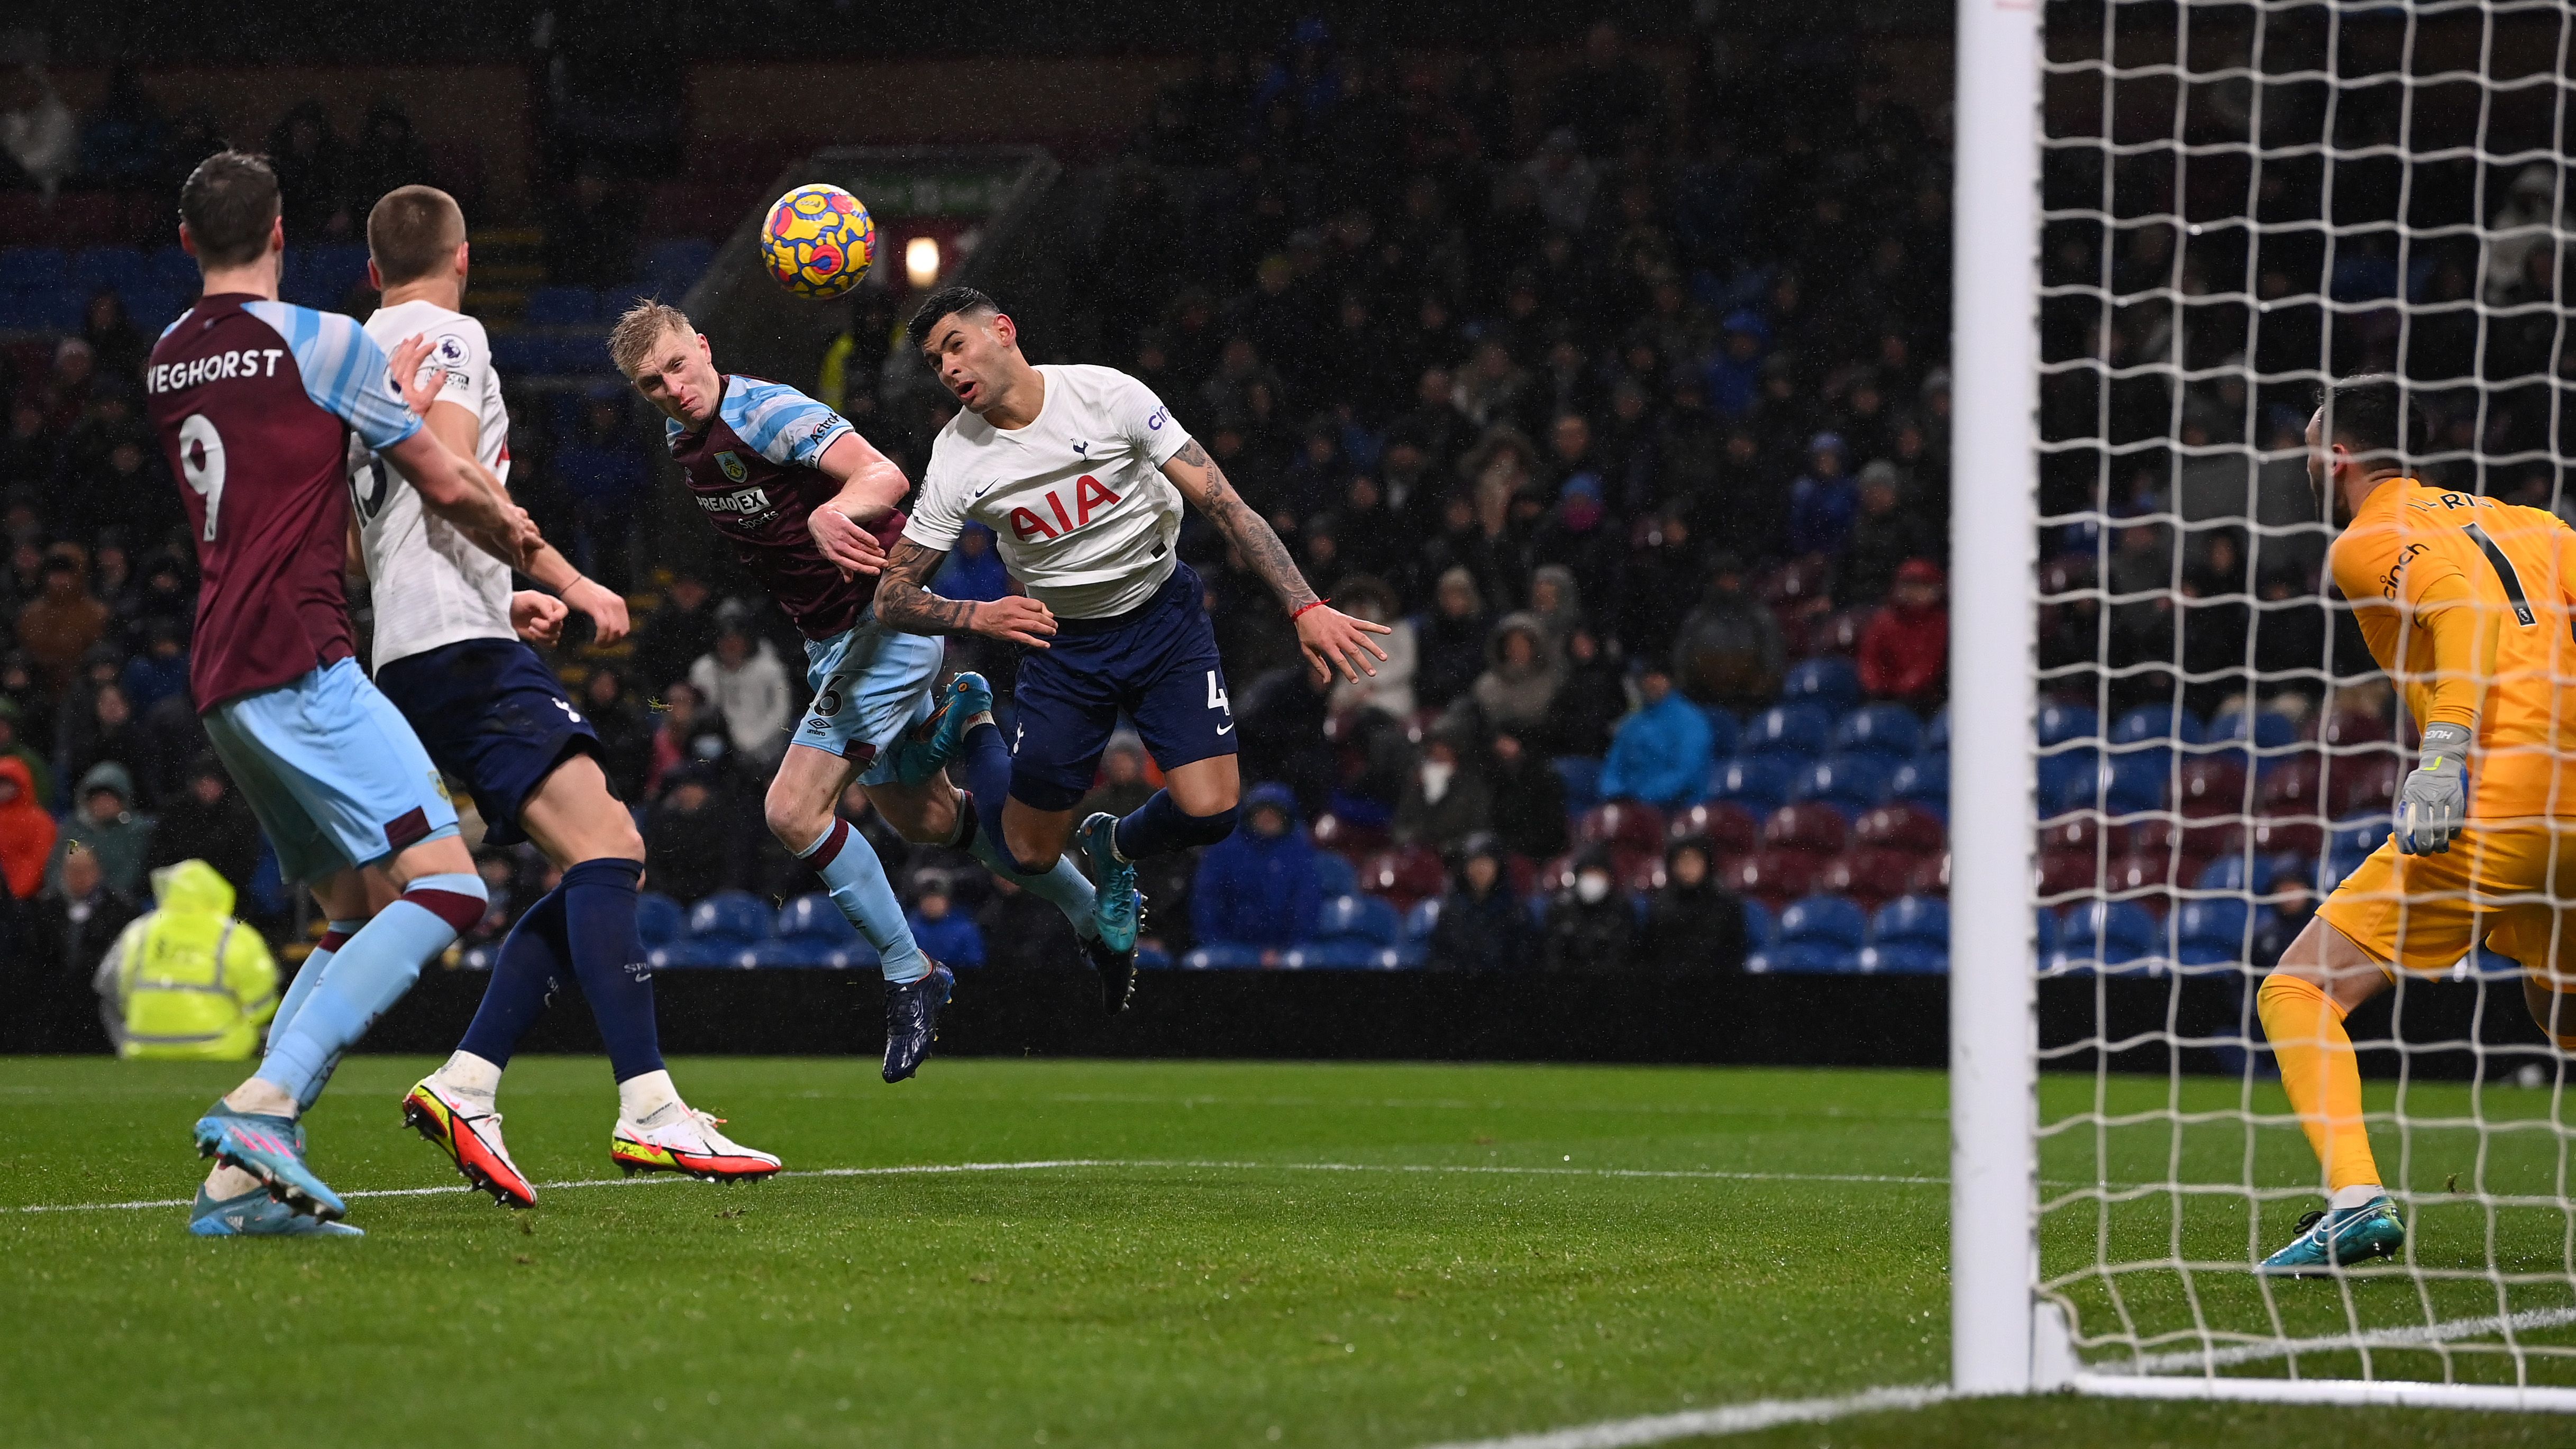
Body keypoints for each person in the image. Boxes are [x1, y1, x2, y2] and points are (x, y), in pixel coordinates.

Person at [331, 186, 778, 1208]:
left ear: (370, 270)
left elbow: (359, 548)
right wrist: (568, 580)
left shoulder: (353, 357)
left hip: (422, 640)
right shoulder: (445, 333)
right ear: (465, 255)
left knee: (598, 851)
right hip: (460, 645)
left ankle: (470, 1082)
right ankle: (650, 1109)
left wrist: (502, 589)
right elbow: (452, 475)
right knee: (612, 848)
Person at [143, 151, 541, 1237]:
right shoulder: (325, 341)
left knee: (351, 909)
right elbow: (448, 480)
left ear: (188, 243)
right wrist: (553, 571)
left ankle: (237, 1192)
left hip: (222, 673)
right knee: (450, 890)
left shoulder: (168, 355)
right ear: (280, 233)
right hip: (304, 660)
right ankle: (262, 1107)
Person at [609, 298, 1120, 1072]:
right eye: (652, 383)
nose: (673, 388)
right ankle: (1090, 906)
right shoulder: (683, 436)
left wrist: (835, 511)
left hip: (883, 624)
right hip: (830, 641)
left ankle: (911, 970)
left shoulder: (766, 410)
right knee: (928, 819)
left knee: (791, 809)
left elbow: (884, 473)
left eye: (679, 366)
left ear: (705, 347)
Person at [873, 285, 1386, 970]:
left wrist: (1304, 605)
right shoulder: (958, 459)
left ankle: (1113, 842)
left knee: (1211, 812)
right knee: (1027, 851)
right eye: (936, 361)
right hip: (1066, 646)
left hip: (1163, 619)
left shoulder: (1108, 396)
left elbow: (1226, 505)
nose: (949, 368)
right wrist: (980, 613)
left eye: (956, 345)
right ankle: (976, 723)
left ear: (1002, 330)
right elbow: (892, 595)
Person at [2252, 374, 2576, 1275]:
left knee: (2296, 990)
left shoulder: (2365, 541)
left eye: (2312, 445)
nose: (2307, 460)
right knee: (2560, 1008)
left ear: (2341, 457)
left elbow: (2463, 611)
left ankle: (2355, 1200)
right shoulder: (2530, 523)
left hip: (2497, 800)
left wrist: (2443, 755)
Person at [93, 858, 274, 1061]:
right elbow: (264, 1004)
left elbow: (109, 988)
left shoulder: (141, 930)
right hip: (220, 1049)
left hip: (144, 1047)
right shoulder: (235, 935)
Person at [1187, 783, 1324, 958]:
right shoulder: (1224, 850)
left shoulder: (1300, 853)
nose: (1268, 817)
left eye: (1275, 812)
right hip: (1228, 949)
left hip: (1283, 951)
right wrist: (1217, 946)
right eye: (1261, 811)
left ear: (1287, 818)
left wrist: (1285, 949)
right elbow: (1207, 900)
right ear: (1250, 815)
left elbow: (1306, 906)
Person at [1597, 663, 1713, 810]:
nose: (1652, 682)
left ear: (1670, 680)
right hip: (1630, 810)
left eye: (1658, 676)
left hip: (1678, 812)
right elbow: (1613, 768)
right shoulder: (1632, 724)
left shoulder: (1691, 721)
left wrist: (1641, 799)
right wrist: (1616, 795)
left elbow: (1687, 773)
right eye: (1647, 677)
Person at [144, 752, 262, 897]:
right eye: (202, 781)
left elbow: (244, 863)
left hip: (225, 893)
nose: (207, 787)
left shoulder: (240, 817)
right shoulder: (176, 812)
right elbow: (160, 855)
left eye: (213, 781)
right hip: (177, 891)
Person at [689, 616, 793, 769]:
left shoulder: (770, 669)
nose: (730, 645)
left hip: (767, 746)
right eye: (725, 640)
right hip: (722, 747)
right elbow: (699, 711)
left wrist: (754, 740)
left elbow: (782, 712)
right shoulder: (704, 669)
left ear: (747, 642)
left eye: (736, 640)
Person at [1640, 836, 1748, 972]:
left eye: (1695, 861)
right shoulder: (1659, 905)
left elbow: (1735, 954)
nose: (1688, 867)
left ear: (1707, 864)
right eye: (1682, 861)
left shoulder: (1727, 905)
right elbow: (1649, 955)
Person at [50, 761, 156, 898]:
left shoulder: (136, 830)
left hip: (116, 904)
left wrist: (102, 897)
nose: (103, 805)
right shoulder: (74, 828)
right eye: (97, 799)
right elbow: (55, 869)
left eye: (109, 799)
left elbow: (131, 875)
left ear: (123, 801)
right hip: (70, 901)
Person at [1426, 833, 1530, 971]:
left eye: (1487, 863)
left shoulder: (1517, 912)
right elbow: (1439, 958)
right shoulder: (1448, 911)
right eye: (1474, 862)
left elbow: (1523, 960)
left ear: (1499, 867)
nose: (1481, 869)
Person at [1857, 559, 1949, 710]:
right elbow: (1869, 662)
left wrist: (1904, 688)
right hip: (1881, 697)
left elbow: (1930, 665)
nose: (1913, 592)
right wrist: (1877, 686)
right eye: (1908, 585)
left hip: (1923, 700)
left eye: (1922, 586)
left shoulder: (1940, 622)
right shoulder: (1883, 621)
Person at [1542, 846, 1637, 974]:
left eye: (1598, 873)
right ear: (1578, 876)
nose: (1592, 878)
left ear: (1609, 878)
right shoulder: (1561, 909)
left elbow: (1622, 957)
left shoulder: (1621, 910)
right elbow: (1552, 957)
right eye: (1588, 872)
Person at [0, 753, 55, 907]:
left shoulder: (39, 821)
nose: (3, 789)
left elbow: (40, 859)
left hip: (27, 900)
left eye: (7, 783)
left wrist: (16, 892)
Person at [905, 871, 986, 969]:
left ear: (947, 900)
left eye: (937, 898)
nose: (932, 903)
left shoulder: (966, 930)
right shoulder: (909, 929)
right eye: (927, 898)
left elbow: (976, 965)